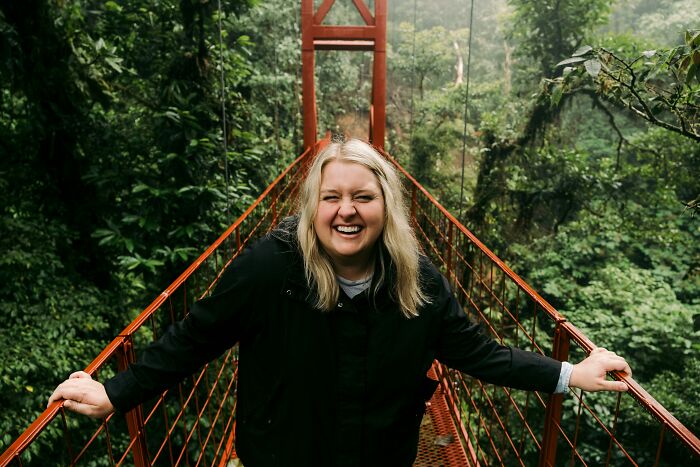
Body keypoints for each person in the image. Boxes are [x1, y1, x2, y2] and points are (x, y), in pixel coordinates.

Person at [49, 138, 632, 466]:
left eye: (362, 196)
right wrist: (113, 393)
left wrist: (570, 373)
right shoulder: (268, 268)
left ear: (388, 206)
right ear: (311, 206)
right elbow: (194, 337)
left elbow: (477, 353)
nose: (346, 211)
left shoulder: (417, 280)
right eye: (331, 197)